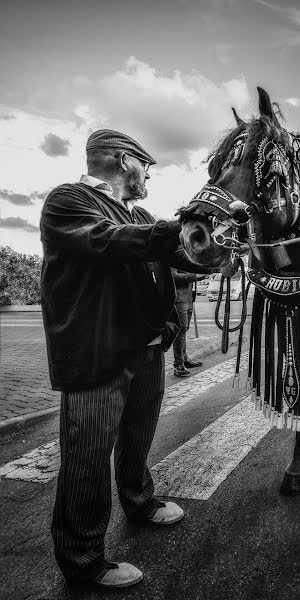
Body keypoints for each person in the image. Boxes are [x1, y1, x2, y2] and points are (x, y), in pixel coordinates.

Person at [40, 129, 211, 588]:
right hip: (99, 351)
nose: (148, 176)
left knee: (137, 438)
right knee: (87, 457)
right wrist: (180, 226)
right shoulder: (70, 200)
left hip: (147, 348)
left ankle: (139, 501)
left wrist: (216, 248)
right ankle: (82, 560)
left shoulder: (140, 215)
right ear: (122, 159)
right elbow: (110, 241)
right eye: (146, 166)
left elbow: (177, 256)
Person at [171, 269, 206, 377]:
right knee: (180, 331)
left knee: (184, 330)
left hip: (188, 297)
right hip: (179, 298)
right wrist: (195, 275)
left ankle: (184, 359)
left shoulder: (187, 256)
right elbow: (174, 276)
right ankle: (178, 364)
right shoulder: (175, 255)